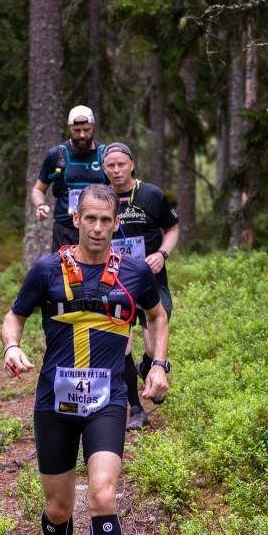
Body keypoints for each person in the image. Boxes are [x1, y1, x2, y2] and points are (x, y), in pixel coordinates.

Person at [1, 184, 170, 535]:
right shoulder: (46, 270)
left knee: (102, 495)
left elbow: (156, 316)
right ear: (76, 219)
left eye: (106, 220)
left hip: (107, 401)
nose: (97, 228)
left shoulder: (135, 272)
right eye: (89, 219)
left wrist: (158, 364)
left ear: (116, 224)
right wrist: (12, 346)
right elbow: (15, 315)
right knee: (57, 508)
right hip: (54, 403)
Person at [101, 143, 179, 431]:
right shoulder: (100, 197)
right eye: (111, 166)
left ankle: (149, 366)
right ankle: (136, 409)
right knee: (122, 344)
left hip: (149, 279)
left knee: (150, 345)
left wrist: (162, 254)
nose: (116, 170)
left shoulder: (151, 194)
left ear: (132, 164)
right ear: (104, 168)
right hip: (114, 280)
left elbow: (172, 228)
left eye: (121, 164)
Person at [30, 105, 109, 249]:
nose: (82, 135)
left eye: (87, 130)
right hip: (65, 231)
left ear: (93, 126)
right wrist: (41, 205)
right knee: (63, 265)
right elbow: (38, 190)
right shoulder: (56, 155)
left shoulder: (105, 155)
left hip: (98, 230)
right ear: (69, 128)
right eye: (76, 131)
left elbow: (119, 188)